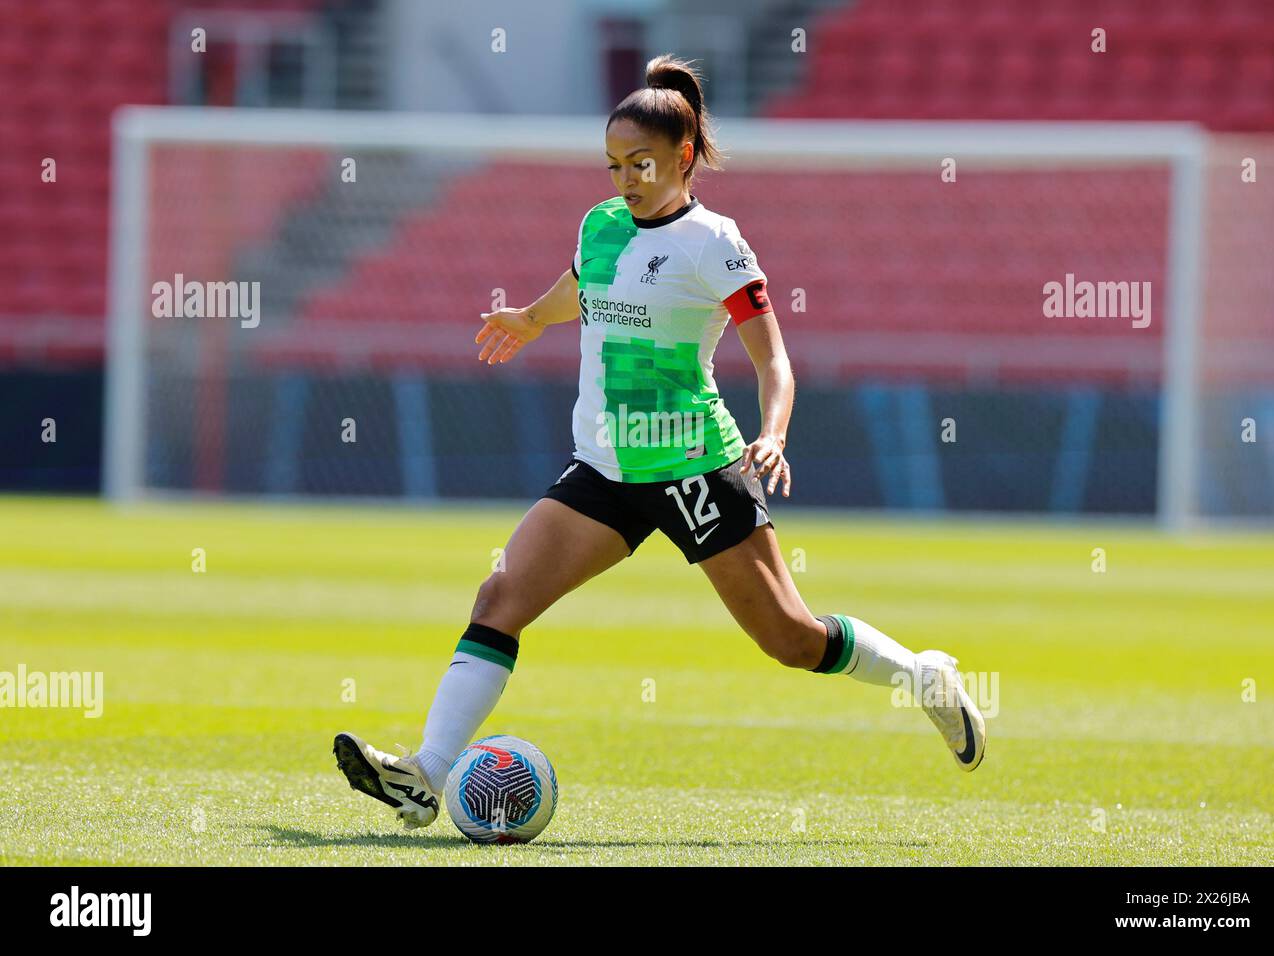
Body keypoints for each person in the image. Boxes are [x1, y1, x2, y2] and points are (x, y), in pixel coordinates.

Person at [334, 55, 986, 830]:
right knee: (499, 599)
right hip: (604, 469)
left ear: (682, 157)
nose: (624, 180)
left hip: (696, 469)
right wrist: (528, 319)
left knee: (790, 639)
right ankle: (424, 777)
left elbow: (774, 360)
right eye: (612, 165)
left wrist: (771, 436)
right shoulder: (601, 224)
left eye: (639, 164)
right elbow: (578, 292)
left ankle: (923, 677)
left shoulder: (716, 244)